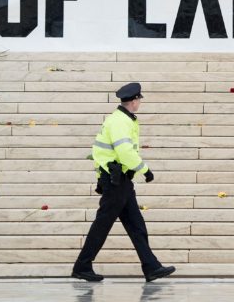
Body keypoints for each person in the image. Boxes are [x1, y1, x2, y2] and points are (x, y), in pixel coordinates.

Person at [73, 83, 176, 283]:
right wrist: (144, 170)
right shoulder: (120, 121)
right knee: (103, 224)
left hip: (120, 180)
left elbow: (104, 151)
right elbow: (124, 151)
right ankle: (82, 265)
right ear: (135, 100)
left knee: (136, 224)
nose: (139, 103)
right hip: (116, 180)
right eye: (139, 100)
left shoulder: (121, 119)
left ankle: (151, 266)